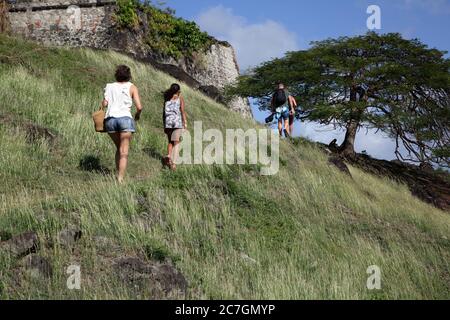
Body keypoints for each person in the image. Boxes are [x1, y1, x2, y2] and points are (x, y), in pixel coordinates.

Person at [102, 65, 143, 183]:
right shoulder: (132, 87)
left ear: (116, 75)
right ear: (128, 75)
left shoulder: (109, 86)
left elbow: (104, 104)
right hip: (125, 119)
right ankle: (120, 179)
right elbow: (139, 107)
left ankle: (117, 172)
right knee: (124, 150)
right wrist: (137, 115)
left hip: (110, 120)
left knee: (118, 147)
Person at [163, 83, 187, 171]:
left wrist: (164, 124)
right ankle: (173, 164)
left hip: (168, 122)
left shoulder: (167, 98)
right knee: (176, 143)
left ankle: (169, 155)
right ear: (178, 91)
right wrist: (185, 123)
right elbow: (182, 111)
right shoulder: (180, 99)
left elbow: (164, 113)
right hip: (176, 122)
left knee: (170, 141)